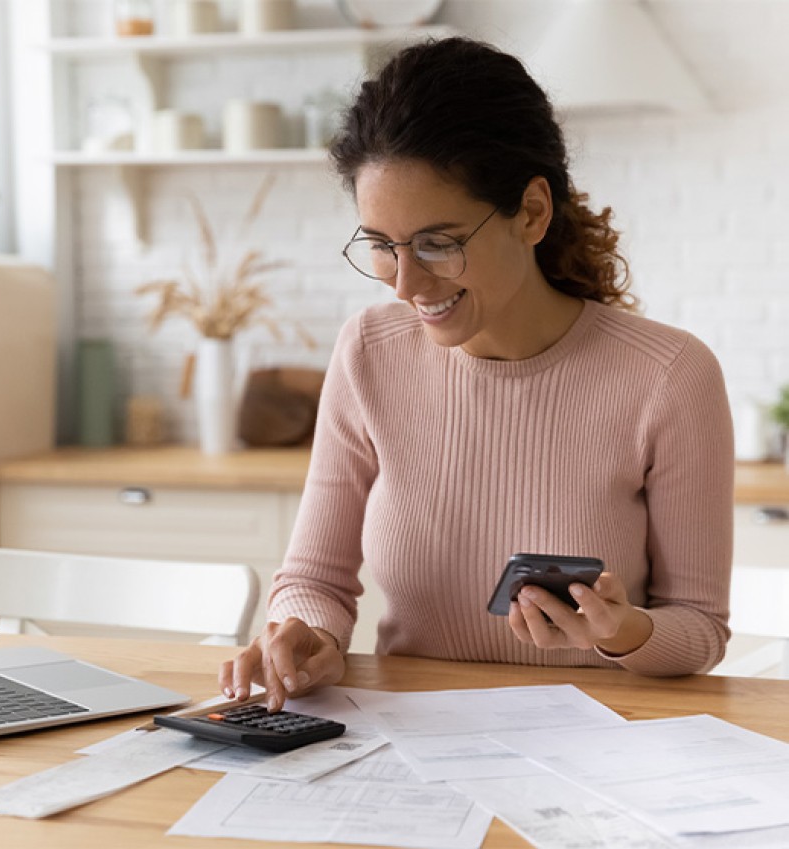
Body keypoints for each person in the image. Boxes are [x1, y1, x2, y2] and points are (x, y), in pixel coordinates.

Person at [219, 37, 734, 711]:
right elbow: (315, 576)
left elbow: (700, 627)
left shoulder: (668, 376)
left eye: (439, 243)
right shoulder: (369, 352)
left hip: (600, 747)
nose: (406, 284)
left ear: (532, 212)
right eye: (381, 245)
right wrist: (309, 633)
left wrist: (626, 631)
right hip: (409, 741)